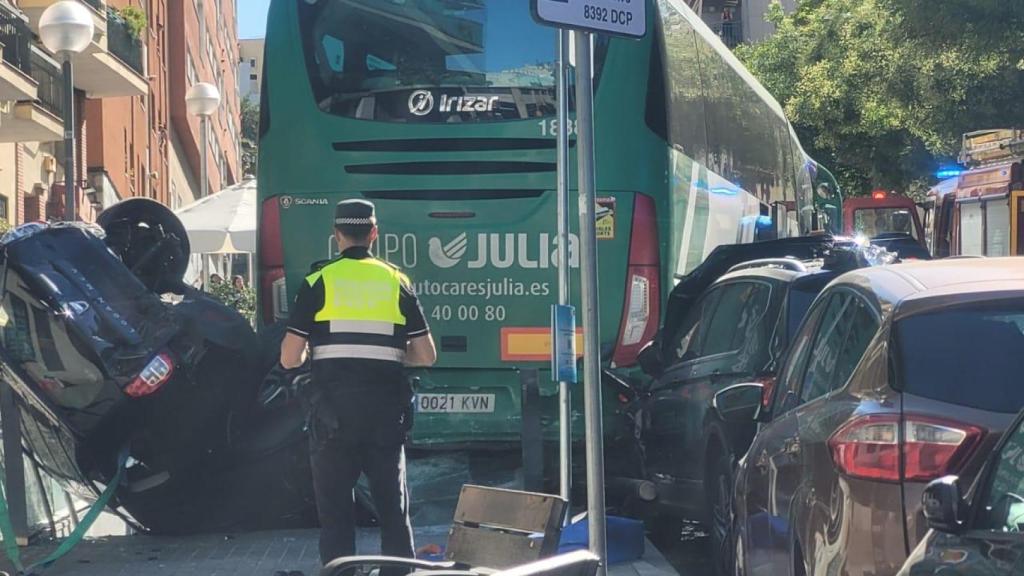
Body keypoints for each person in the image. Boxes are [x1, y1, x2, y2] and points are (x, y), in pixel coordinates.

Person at [277, 199, 437, 568]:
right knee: (393, 514)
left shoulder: (318, 282)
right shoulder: (396, 281)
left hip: (332, 419)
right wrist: (393, 355)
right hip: (384, 417)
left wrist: (315, 357)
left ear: (336, 236)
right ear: (374, 234)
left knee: (336, 518)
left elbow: (288, 357)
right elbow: (427, 355)